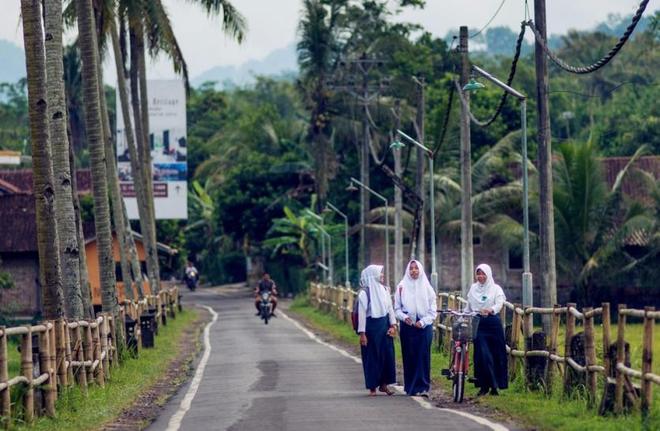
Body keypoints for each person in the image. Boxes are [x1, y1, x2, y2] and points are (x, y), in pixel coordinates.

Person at [394, 260, 437, 397]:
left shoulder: (427, 288)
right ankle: (411, 387)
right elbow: (397, 309)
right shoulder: (401, 286)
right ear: (408, 270)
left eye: (416, 268)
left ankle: (423, 387)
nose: (413, 271)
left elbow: (433, 310)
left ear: (420, 270)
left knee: (423, 356)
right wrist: (404, 318)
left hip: (424, 326)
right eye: (411, 268)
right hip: (408, 326)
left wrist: (424, 322)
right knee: (409, 355)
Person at [464, 263, 508, 396]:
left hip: (493, 324)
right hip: (478, 324)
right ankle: (484, 386)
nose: (480, 276)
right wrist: (464, 315)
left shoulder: (496, 289)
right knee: (482, 355)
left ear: (488, 274)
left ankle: (495, 386)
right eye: (478, 273)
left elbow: (499, 303)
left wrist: (491, 310)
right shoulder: (473, 288)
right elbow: (469, 306)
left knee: (496, 354)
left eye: (483, 273)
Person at [357, 265, 397, 396]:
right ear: (373, 275)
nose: (382, 276)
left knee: (387, 355)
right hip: (371, 329)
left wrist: (393, 326)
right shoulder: (364, 293)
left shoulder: (385, 290)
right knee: (372, 357)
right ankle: (372, 387)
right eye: (380, 274)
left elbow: (390, 309)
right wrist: (362, 334)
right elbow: (362, 314)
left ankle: (384, 384)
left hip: (384, 326)